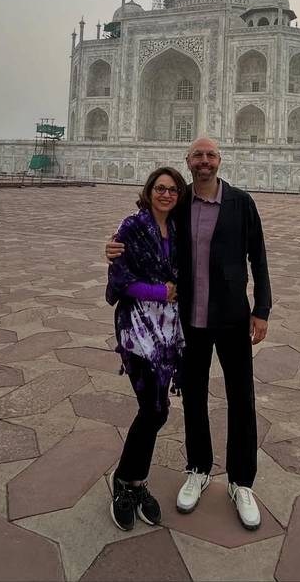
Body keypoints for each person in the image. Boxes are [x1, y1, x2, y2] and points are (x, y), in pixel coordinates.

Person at [106, 137, 271, 530]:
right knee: (193, 396)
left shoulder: (241, 203)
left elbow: (259, 257)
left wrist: (261, 309)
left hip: (231, 317)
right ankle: (197, 468)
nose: (204, 162)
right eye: (198, 156)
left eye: (210, 155)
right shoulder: (180, 206)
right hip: (188, 321)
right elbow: (145, 233)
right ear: (189, 161)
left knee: (241, 399)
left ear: (219, 160)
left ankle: (240, 481)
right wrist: (112, 248)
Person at [105, 165, 188, 532]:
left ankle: (134, 482)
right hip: (138, 329)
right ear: (149, 190)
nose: (166, 194)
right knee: (152, 407)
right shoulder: (132, 227)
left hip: (169, 331)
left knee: (157, 409)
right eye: (160, 188)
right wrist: (160, 291)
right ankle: (126, 482)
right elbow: (120, 279)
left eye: (172, 190)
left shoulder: (181, 232)